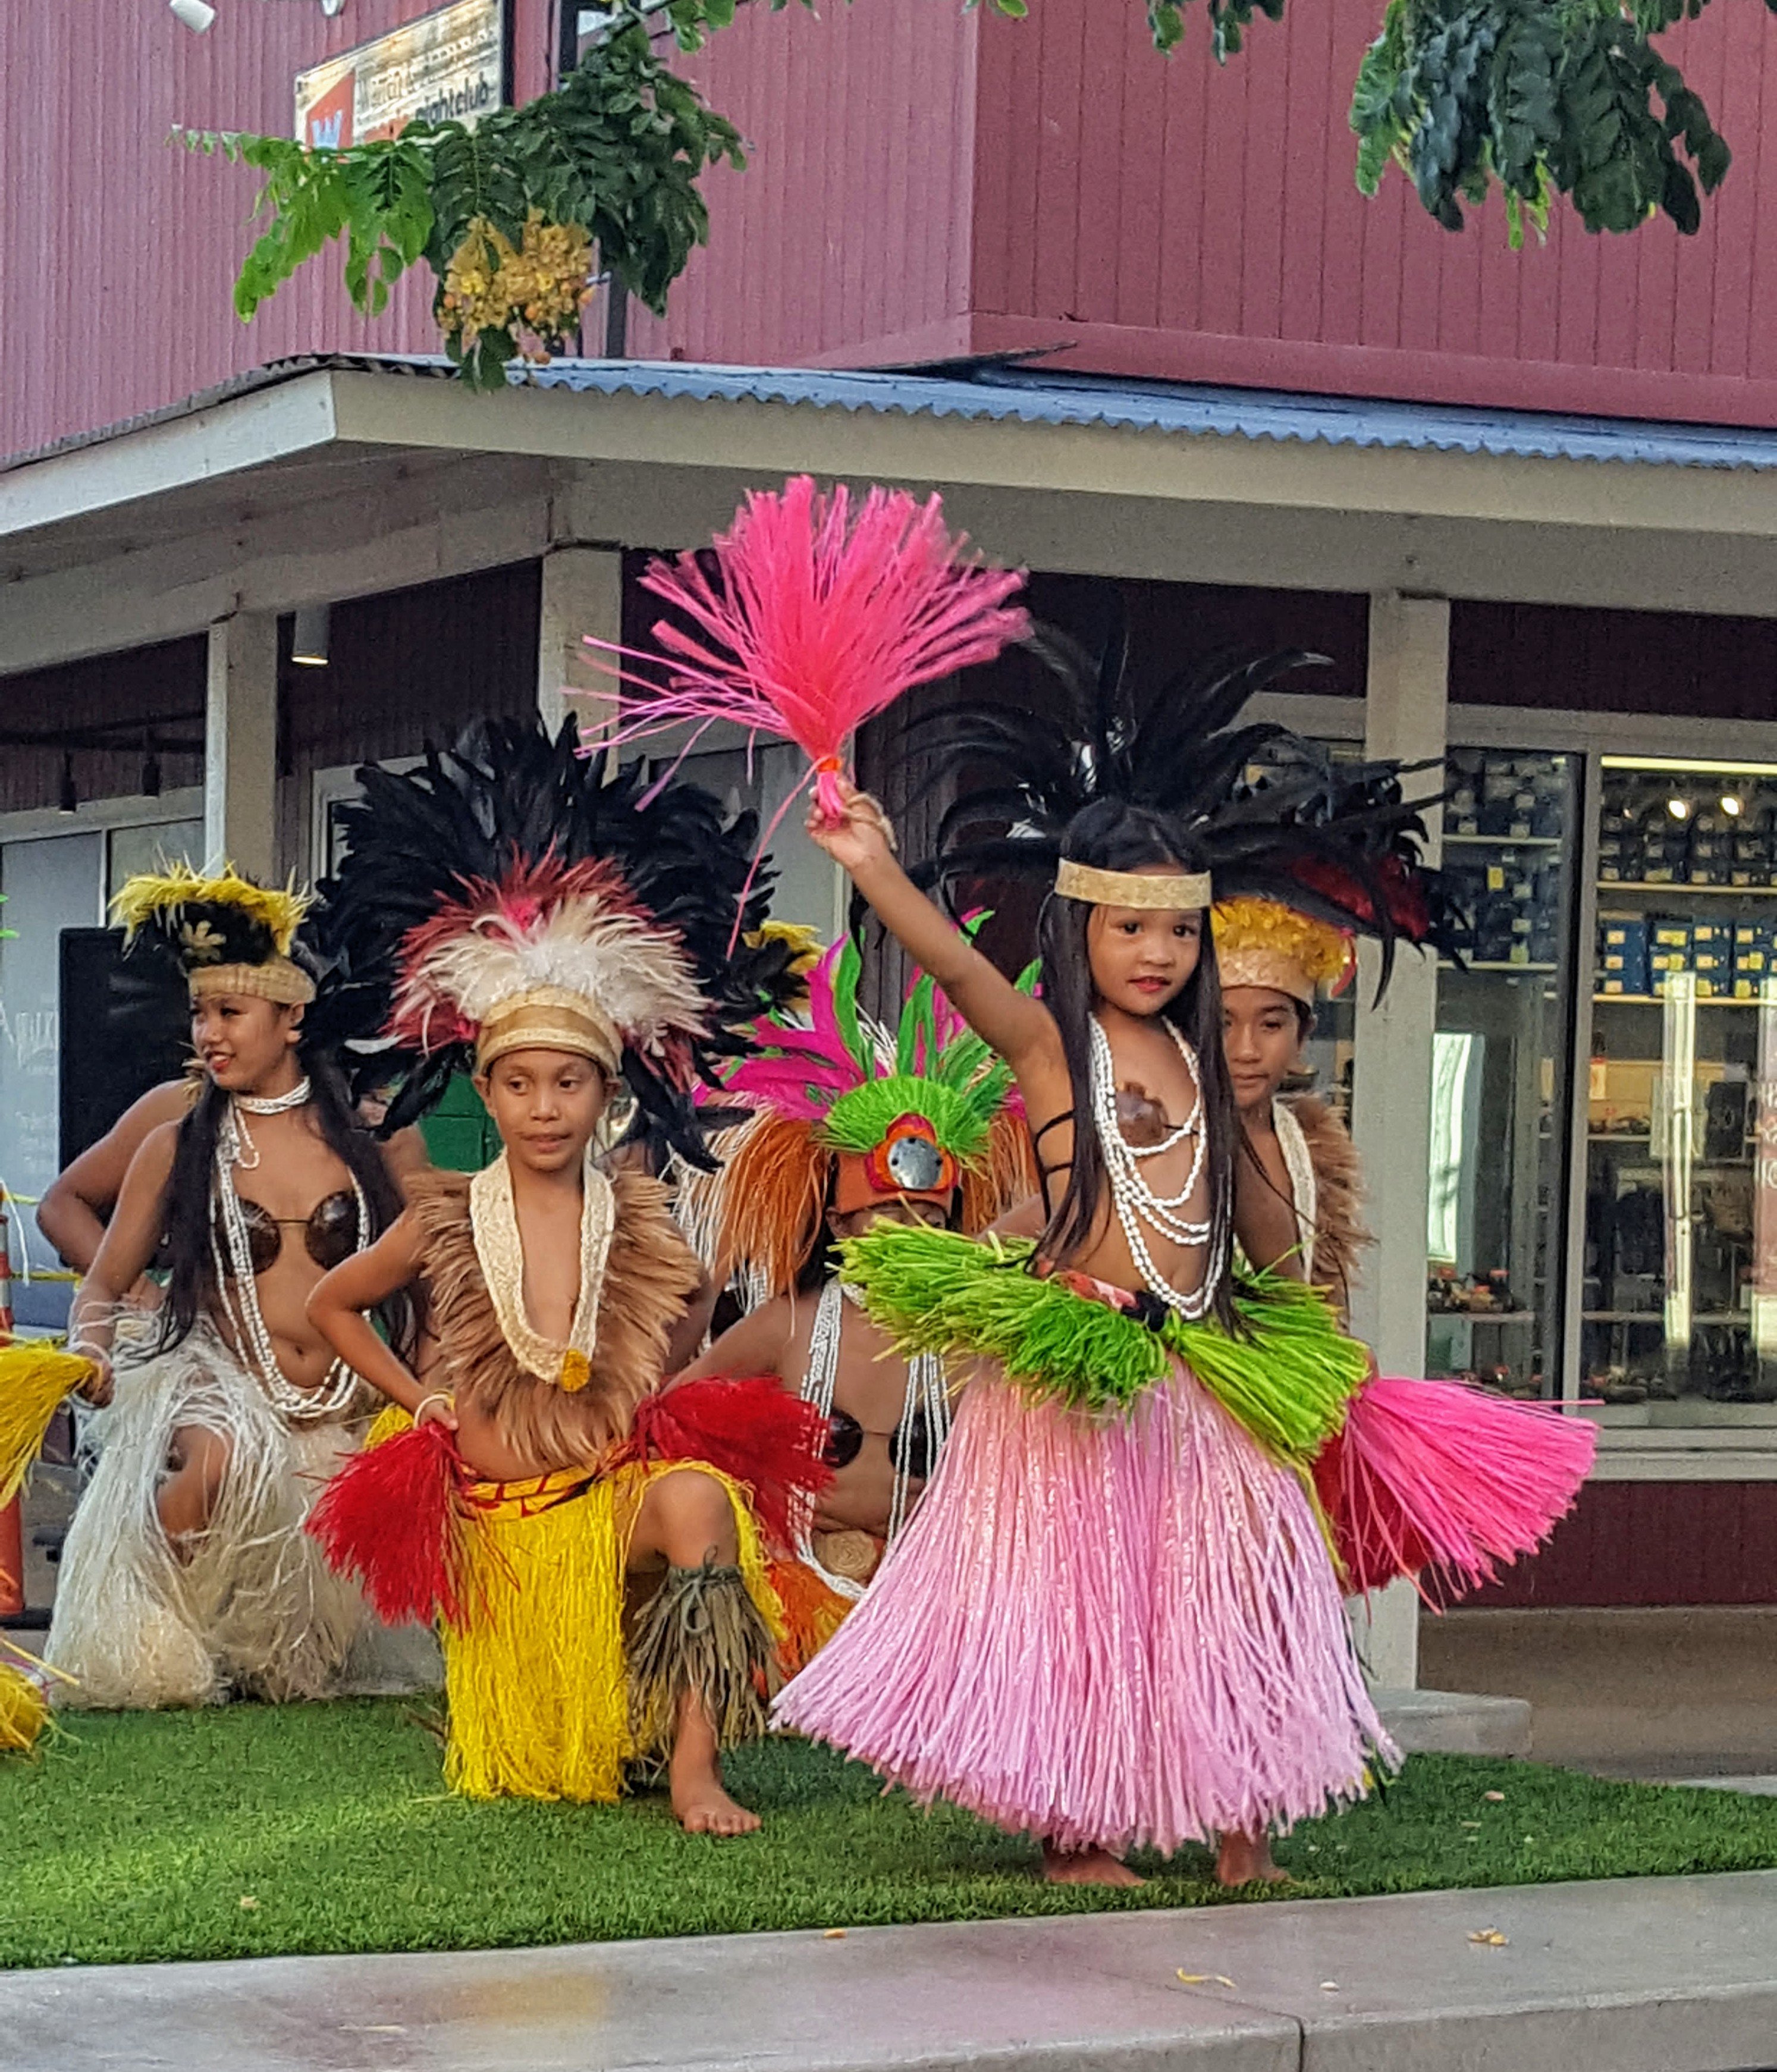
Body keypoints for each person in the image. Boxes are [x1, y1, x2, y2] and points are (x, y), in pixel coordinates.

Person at [772, 634, 1455, 1889]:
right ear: (1082, 922)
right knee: (1080, 1604)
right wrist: (871, 864)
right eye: (1129, 926)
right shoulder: (1050, 1049)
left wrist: (1302, 1325)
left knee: (1231, 1589)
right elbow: (960, 964)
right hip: (1075, 1368)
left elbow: (1260, 1234)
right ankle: (1078, 1827)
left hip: (1197, 1369)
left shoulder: (1210, 1072)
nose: (1155, 953)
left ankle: (1243, 1818)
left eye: (1177, 934)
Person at [300, 731, 822, 1834]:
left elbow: (691, 1298)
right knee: (534, 1766)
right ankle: (572, 1706)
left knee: (699, 1501)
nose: (546, 1106)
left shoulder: (633, 1214)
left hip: (605, 1500)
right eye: (523, 1083)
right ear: (486, 1094)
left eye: (570, 1083)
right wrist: (417, 1399)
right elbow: (330, 1303)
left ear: (604, 1096)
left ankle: (694, 1768)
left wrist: (645, 1386)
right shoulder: (447, 1212)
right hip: (501, 1525)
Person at [40, 867, 419, 1710]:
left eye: (229, 1014)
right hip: (225, 1377)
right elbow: (101, 1279)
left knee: (310, 1664)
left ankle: (259, 1643)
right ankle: (159, 1636)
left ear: (292, 1018)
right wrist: (94, 1343)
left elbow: (431, 1272)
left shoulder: (372, 1138)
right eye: (198, 1014)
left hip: (338, 1400)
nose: (208, 1034)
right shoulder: (179, 1140)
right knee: (220, 1456)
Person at [1214, 894, 1597, 1605]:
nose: (1245, 1047)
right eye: (1226, 1022)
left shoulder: (1303, 1142)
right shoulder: (1180, 1137)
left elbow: (1307, 1291)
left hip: (1282, 1425)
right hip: (1199, 1427)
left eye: (1271, 1024)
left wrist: (1327, 1355)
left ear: (1303, 1036)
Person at [671, 933, 1035, 1668]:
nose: (910, 1230)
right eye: (889, 1213)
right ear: (841, 1222)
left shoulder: (967, 1335)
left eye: (930, 1218)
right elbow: (680, 1410)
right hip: (800, 1572)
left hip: (925, 1583)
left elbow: (1053, 1211)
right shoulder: (794, 1322)